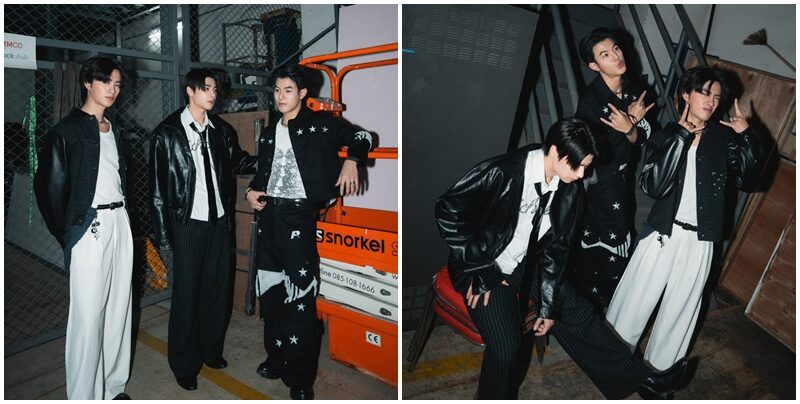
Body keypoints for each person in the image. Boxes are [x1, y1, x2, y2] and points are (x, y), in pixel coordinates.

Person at [434, 118, 686, 400]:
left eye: (586, 167)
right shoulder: (504, 171)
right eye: (576, 166)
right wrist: (479, 267)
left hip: (527, 263)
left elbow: (556, 250)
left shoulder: (568, 188)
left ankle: (644, 380)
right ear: (554, 151)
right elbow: (447, 210)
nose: (581, 175)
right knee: (506, 348)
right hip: (488, 266)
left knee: (577, 312)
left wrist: (549, 306)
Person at [607, 67, 763, 375]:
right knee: (632, 304)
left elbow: (751, 180)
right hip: (662, 234)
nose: (711, 101)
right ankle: (611, 364)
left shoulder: (724, 138)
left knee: (680, 312)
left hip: (700, 240)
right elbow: (653, 186)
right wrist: (680, 137)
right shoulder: (665, 135)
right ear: (686, 95)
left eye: (716, 96)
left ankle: (659, 375)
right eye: (704, 92)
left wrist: (747, 135)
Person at [244, 64, 373, 400]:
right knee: (270, 291)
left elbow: (362, 137)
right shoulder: (269, 132)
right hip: (269, 216)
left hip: (298, 217)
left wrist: (352, 160)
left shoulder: (320, 124)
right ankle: (276, 357)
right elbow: (263, 174)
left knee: (300, 294)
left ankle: (300, 376)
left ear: (302, 93)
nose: (280, 96)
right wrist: (251, 192)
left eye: (288, 90)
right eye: (276, 90)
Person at [149, 68, 257, 391]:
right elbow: (157, 190)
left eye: (215, 89)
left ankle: (211, 350)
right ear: (190, 90)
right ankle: (183, 362)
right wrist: (163, 237)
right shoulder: (167, 132)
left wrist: (270, 156)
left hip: (219, 222)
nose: (213, 94)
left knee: (217, 289)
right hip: (188, 224)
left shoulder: (221, 130)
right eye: (207, 88)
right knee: (187, 294)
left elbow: (238, 162)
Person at [34, 56, 133, 400]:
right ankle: (83, 395)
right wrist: (70, 235)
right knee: (88, 318)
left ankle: (113, 386)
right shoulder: (65, 132)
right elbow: (48, 190)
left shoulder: (116, 131)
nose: (112, 89)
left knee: (119, 309)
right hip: (89, 227)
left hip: (120, 221)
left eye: (117, 84)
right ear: (88, 83)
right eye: (106, 81)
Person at [571, 28, 655, 310]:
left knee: (614, 237)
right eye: (605, 55)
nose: (616, 56)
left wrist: (630, 127)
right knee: (606, 237)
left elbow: (642, 137)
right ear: (594, 65)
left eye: (616, 48)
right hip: (597, 182)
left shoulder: (634, 88)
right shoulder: (591, 98)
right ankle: (594, 298)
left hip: (622, 176)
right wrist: (629, 122)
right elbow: (592, 149)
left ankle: (605, 299)